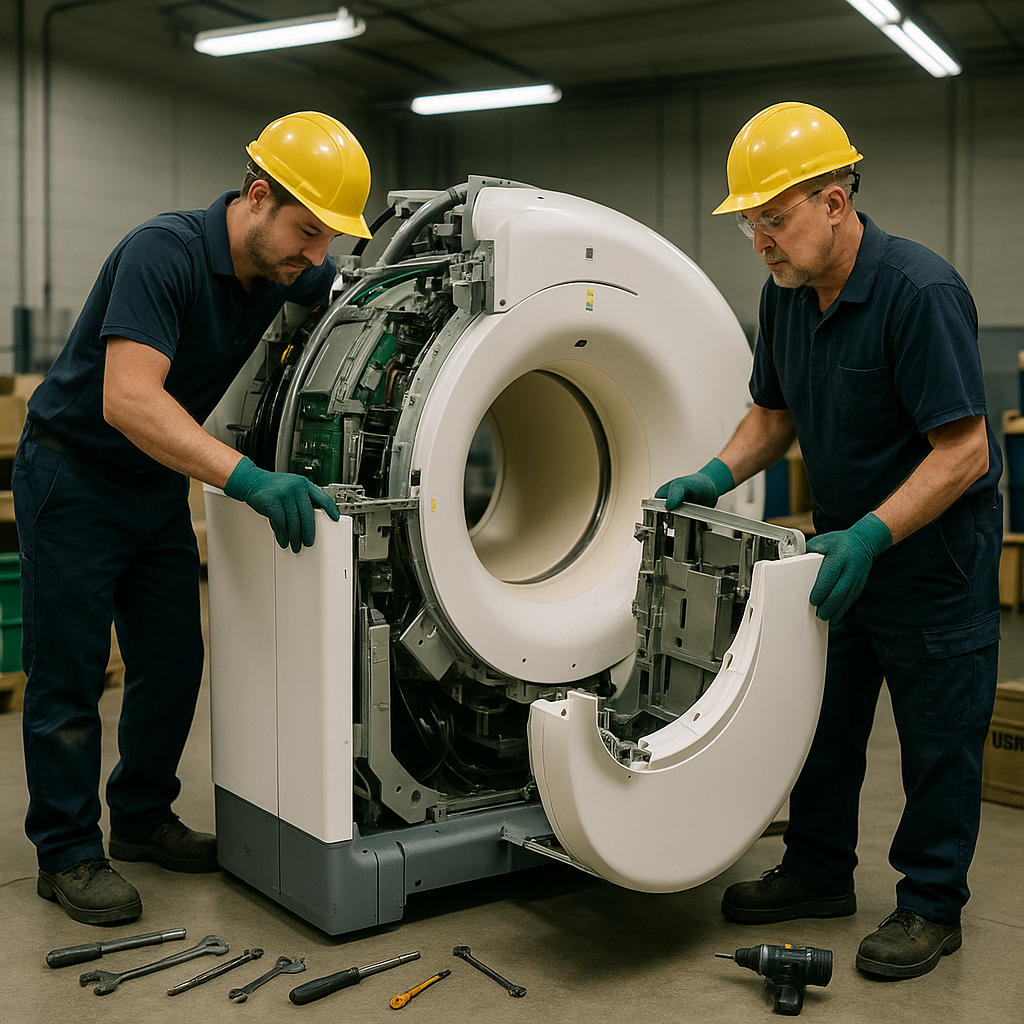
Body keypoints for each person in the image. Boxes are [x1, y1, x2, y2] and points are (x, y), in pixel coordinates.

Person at [657, 101, 1002, 979]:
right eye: (751, 226)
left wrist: (872, 535)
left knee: (937, 740)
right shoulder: (786, 300)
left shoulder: (917, 293)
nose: (762, 242)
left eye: (775, 219)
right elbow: (772, 419)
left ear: (836, 202)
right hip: (843, 555)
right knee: (819, 723)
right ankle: (817, 871)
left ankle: (930, 903)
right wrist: (711, 475)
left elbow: (963, 453)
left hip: (930, 560)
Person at [14, 111, 373, 925]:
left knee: (172, 660)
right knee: (68, 674)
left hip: (153, 484)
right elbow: (129, 399)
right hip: (74, 475)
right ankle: (66, 852)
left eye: (326, 242)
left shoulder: (286, 265)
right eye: (307, 233)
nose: (314, 257)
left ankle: (140, 819)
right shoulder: (163, 253)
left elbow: (358, 293)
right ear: (256, 198)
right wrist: (249, 478)